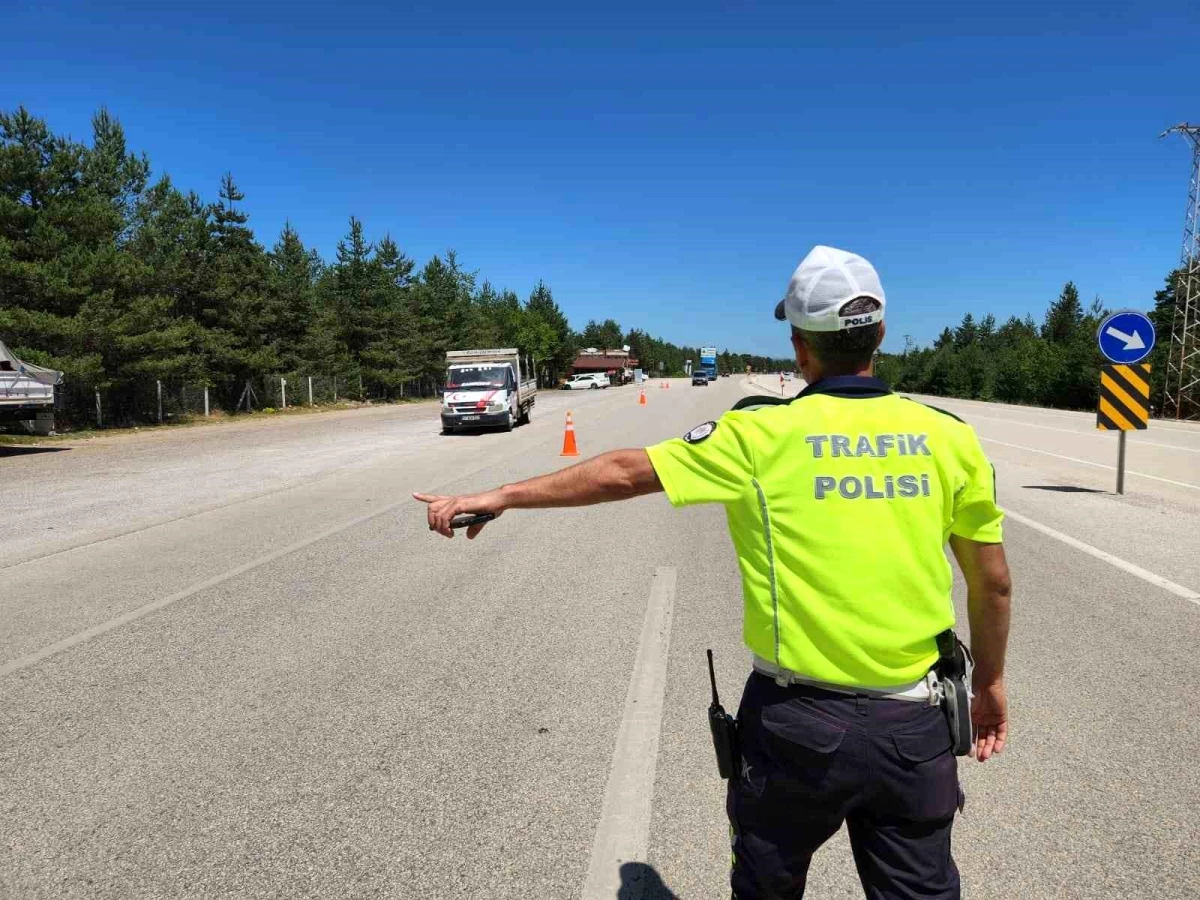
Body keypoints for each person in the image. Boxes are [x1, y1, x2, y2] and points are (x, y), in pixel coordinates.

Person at [416, 245, 1012, 900]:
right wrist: (990, 682)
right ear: (880, 335)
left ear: (799, 345)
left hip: (796, 727)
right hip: (914, 725)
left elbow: (622, 474)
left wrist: (500, 495)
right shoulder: (948, 436)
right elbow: (993, 583)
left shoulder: (758, 434)